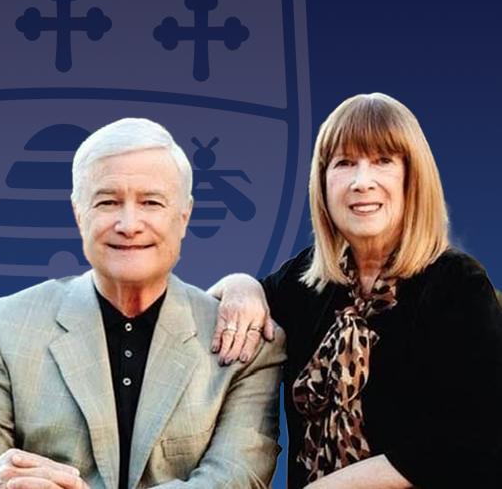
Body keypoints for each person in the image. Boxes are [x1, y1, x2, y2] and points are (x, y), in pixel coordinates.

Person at [0, 118, 287, 489]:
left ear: (184, 216)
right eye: (108, 202)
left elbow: (237, 479)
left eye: (151, 202)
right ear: (78, 213)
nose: (129, 224)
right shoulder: (7, 326)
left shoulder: (244, 342)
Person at [209, 93, 502, 489]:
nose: (362, 182)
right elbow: (231, 306)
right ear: (323, 182)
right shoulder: (306, 280)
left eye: (383, 161)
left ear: (411, 179)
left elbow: (478, 437)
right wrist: (240, 285)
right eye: (345, 163)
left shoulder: (457, 285)